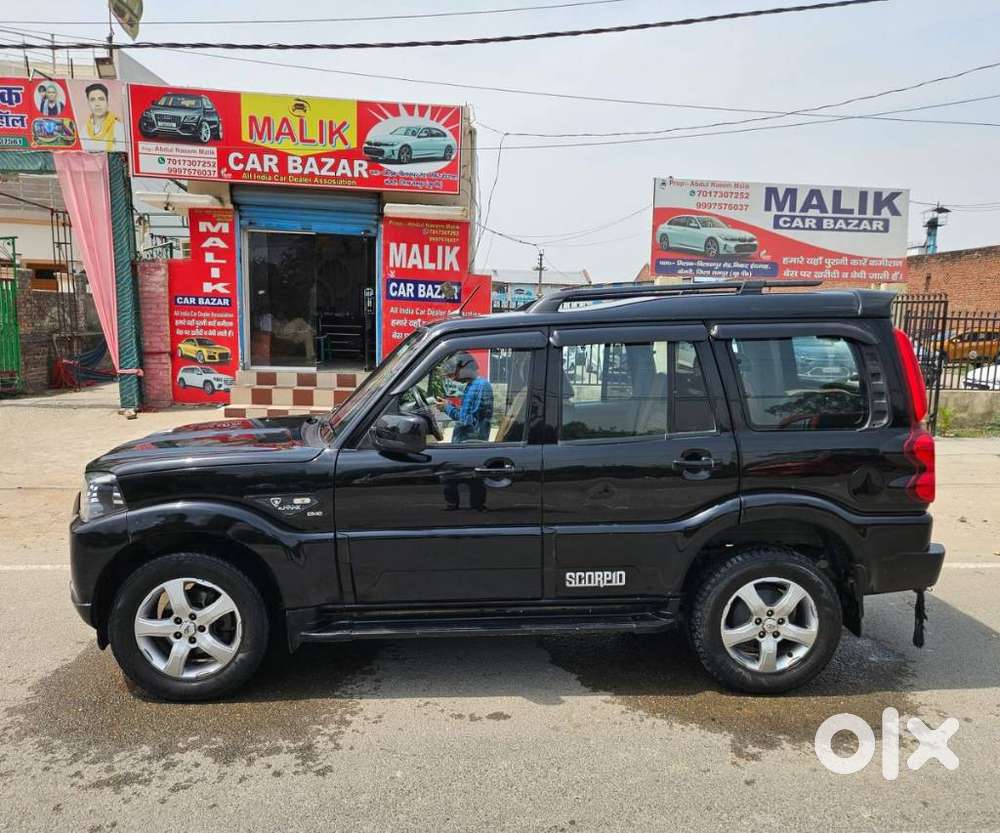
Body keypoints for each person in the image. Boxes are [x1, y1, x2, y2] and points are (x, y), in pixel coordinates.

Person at [434, 351, 493, 443]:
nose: (453, 378)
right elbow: (466, 414)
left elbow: (468, 421)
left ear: (465, 367)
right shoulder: (473, 385)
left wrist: (447, 408)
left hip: (470, 445)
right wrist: (448, 405)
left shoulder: (480, 386)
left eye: (455, 373)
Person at [81, 82, 124, 152]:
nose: (97, 104)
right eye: (92, 100)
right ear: (88, 103)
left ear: (107, 102)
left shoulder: (120, 128)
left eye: (101, 99)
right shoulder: (83, 132)